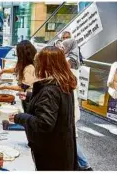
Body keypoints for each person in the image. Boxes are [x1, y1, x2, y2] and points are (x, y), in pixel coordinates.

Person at [10, 46, 78, 170]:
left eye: (38, 62)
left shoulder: (50, 90)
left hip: (51, 153)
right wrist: (30, 96)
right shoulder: (63, 82)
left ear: (45, 64)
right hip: (62, 146)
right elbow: (55, 106)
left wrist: (19, 117)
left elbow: (44, 124)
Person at [56, 38, 93, 171]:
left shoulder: (68, 62)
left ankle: (84, 164)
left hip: (70, 103)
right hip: (71, 101)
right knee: (70, 136)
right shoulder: (73, 59)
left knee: (71, 137)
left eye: (64, 46)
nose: (62, 48)